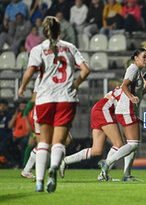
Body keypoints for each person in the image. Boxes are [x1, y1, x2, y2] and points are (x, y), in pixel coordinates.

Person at [18, 16, 90, 193]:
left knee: (43, 142)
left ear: (44, 32)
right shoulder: (70, 47)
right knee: (59, 141)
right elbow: (86, 70)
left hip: (45, 99)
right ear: (60, 31)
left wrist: (22, 87)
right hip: (66, 98)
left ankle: (39, 182)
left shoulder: (38, 49)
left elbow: (30, 72)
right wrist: (76, 84)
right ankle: (54, 167)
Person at [60, 70, 146, 181]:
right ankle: (113, 170)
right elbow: (126, 111)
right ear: (142, 80)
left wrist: (142, 122)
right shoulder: (134, 88)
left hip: (99, 109)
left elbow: (130, 113)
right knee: (122, 144)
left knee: (97, 150)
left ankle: (65, 161)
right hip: (104, 109)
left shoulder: (137, 90)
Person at [97, 48, 146, 181]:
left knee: (131, 144)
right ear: (136, 58)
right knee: (134, 144)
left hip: (127, 110)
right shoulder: (133, 69)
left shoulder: (137, 71)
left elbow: (133, 88)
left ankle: (125, 175)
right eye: (144, 57)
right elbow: (124, 86)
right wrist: (132, 97)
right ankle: (108, 163)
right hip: (126, 109)